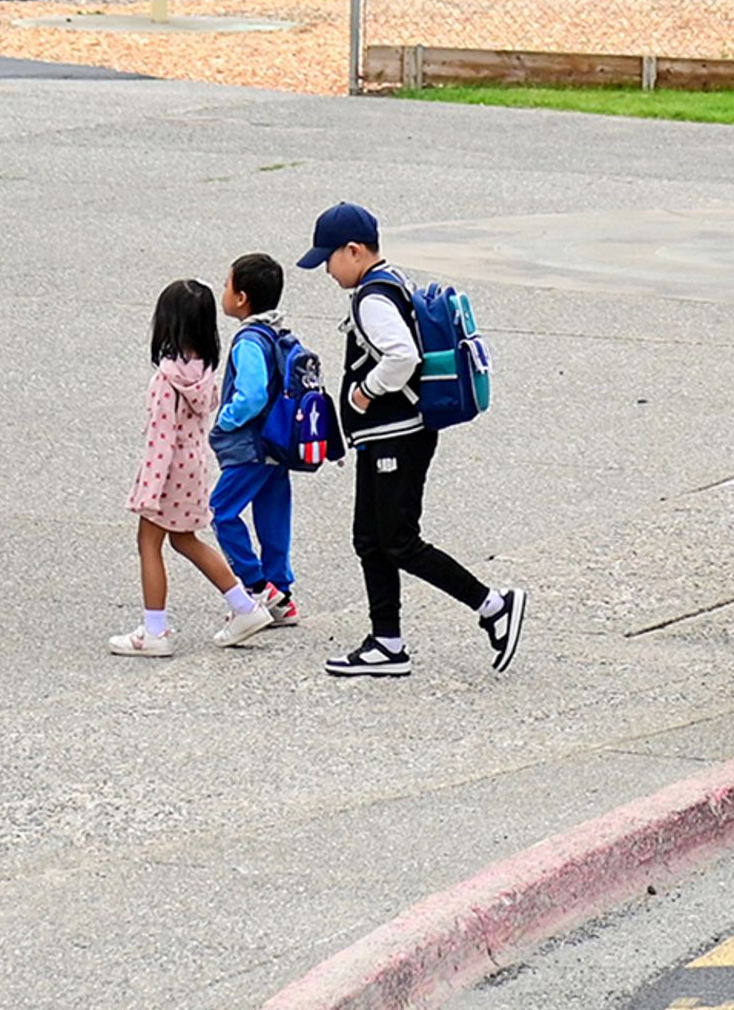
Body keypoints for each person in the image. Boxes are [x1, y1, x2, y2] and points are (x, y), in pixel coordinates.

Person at [302, 201, 524, 679]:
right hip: (385, 439)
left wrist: (364, 392)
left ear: (354, 251)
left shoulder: (372, 298)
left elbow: (401, 355)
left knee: (399, 541)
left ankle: (492, 605)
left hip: (396, 438)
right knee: (370, 539)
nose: (326, 269)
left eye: (328, 258)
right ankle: (387, 642)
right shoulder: (388, 281)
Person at [115, 277, 271, 657]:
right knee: (185, 539)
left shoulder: (165, 381)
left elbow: (159, 440)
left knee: (148, 543)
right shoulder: (203, 373)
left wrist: (147, 493)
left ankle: (155, 632)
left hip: (166, 474)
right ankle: (244, 605)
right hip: (194, 469)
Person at [209, 252, 304, 628]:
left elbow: (251, 395)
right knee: (273, 516)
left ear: (242, 297)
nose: (224, 291)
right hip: (278, 444)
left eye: (226, 284)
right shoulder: (280, 332)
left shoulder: (249, 340)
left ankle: (257, 586)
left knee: (222, 509)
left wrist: (225, 421)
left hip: (251, 446)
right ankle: (282, 595)